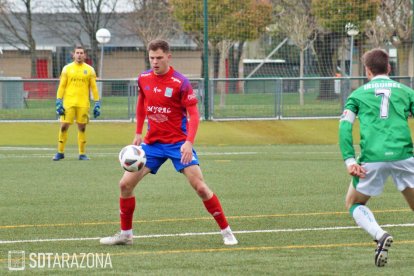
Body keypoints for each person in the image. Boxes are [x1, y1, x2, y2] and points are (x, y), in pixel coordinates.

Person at [100, 39, 238, 246]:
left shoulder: (180, 82)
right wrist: (138, 132)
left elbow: (194, 115)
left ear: (168, 57)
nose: (155, 62)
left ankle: (227, 231)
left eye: (159, 58)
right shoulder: (144, 78)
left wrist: (189, 143)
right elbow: (141, 104)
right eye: (151, 58)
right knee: (125, 185)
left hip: (177, 144)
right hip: (152, 145)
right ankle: (126, 234)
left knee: (200, 187)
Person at [339, 48, 414, 267]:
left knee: (353, 203)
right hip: (404, 155)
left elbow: (344, 128)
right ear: (389, 68)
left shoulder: (358, 94)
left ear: (367, 70)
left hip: (372, 157)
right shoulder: (406, 91)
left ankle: (380, 235)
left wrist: (350, 161)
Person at [53, 45, 101, 161]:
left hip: (83, 104)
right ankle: (60, 152)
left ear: (85, 55)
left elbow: (94, 88)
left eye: (81, 53)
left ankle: (82, 153)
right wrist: (59, 100)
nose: (79, 55)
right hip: (68, 103)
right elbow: (62, 86)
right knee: (64, 126)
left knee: (82, 128)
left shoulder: (89, 70)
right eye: (77, 53)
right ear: (73, 55)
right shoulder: (67, 69)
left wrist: (97, 102)